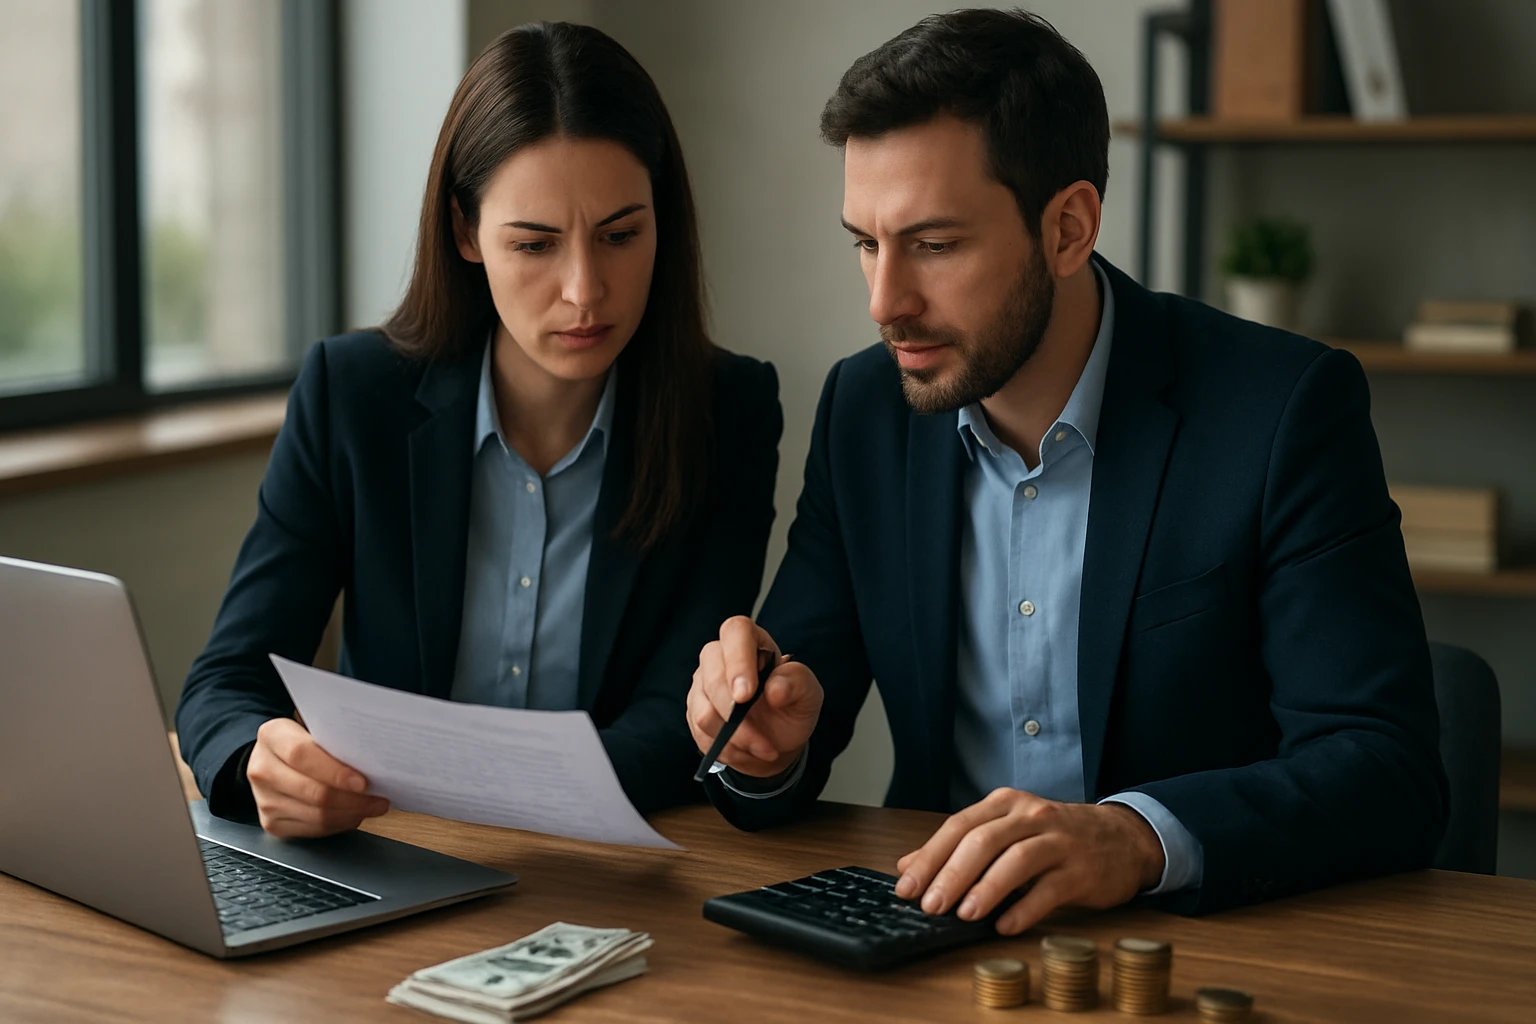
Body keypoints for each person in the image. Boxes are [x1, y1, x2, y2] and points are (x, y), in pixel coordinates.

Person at [686, 8, 1445, 932]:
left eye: (934, 245)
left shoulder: (1282, 409)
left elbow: (1387, 770)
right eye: (866, 243)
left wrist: (1135, 838)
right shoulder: (865, 412)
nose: (885, 301)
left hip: (1195, 947)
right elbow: (792, 720)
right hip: (929, 936)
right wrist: (762, 747)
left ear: (1069, 228)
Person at [177, 21, 781, 838]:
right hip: (386, 853)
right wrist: (258, 758)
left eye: (620, 235)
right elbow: (226, 679)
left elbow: (681, 716)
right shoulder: (352, 395)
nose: (584, 291)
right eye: (534, 244)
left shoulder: (729, 411)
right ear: (466, 232)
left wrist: (483, 794)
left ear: (661, 221)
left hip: (605, 867)